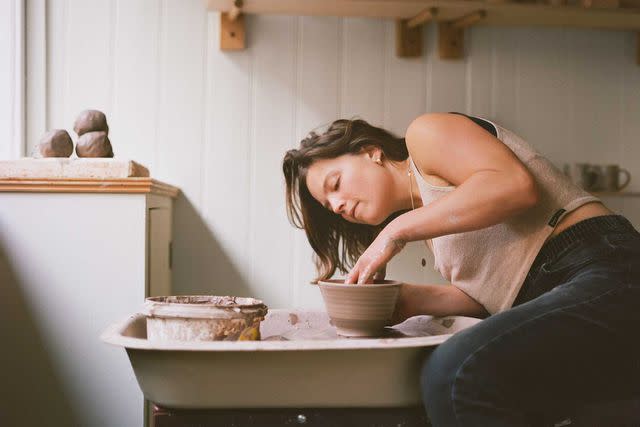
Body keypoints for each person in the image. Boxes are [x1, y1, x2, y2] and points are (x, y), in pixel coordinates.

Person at [282, 112, 640, 426]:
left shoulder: (427, 134)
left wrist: (395, 232)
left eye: (335, 184)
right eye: (330, 206)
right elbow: (492, 297)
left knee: (455, 373)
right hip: (558, 290)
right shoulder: (435, 232)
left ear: (370, 152)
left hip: (607, 265)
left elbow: (514, 186)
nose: (339, 205)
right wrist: (404, 299)